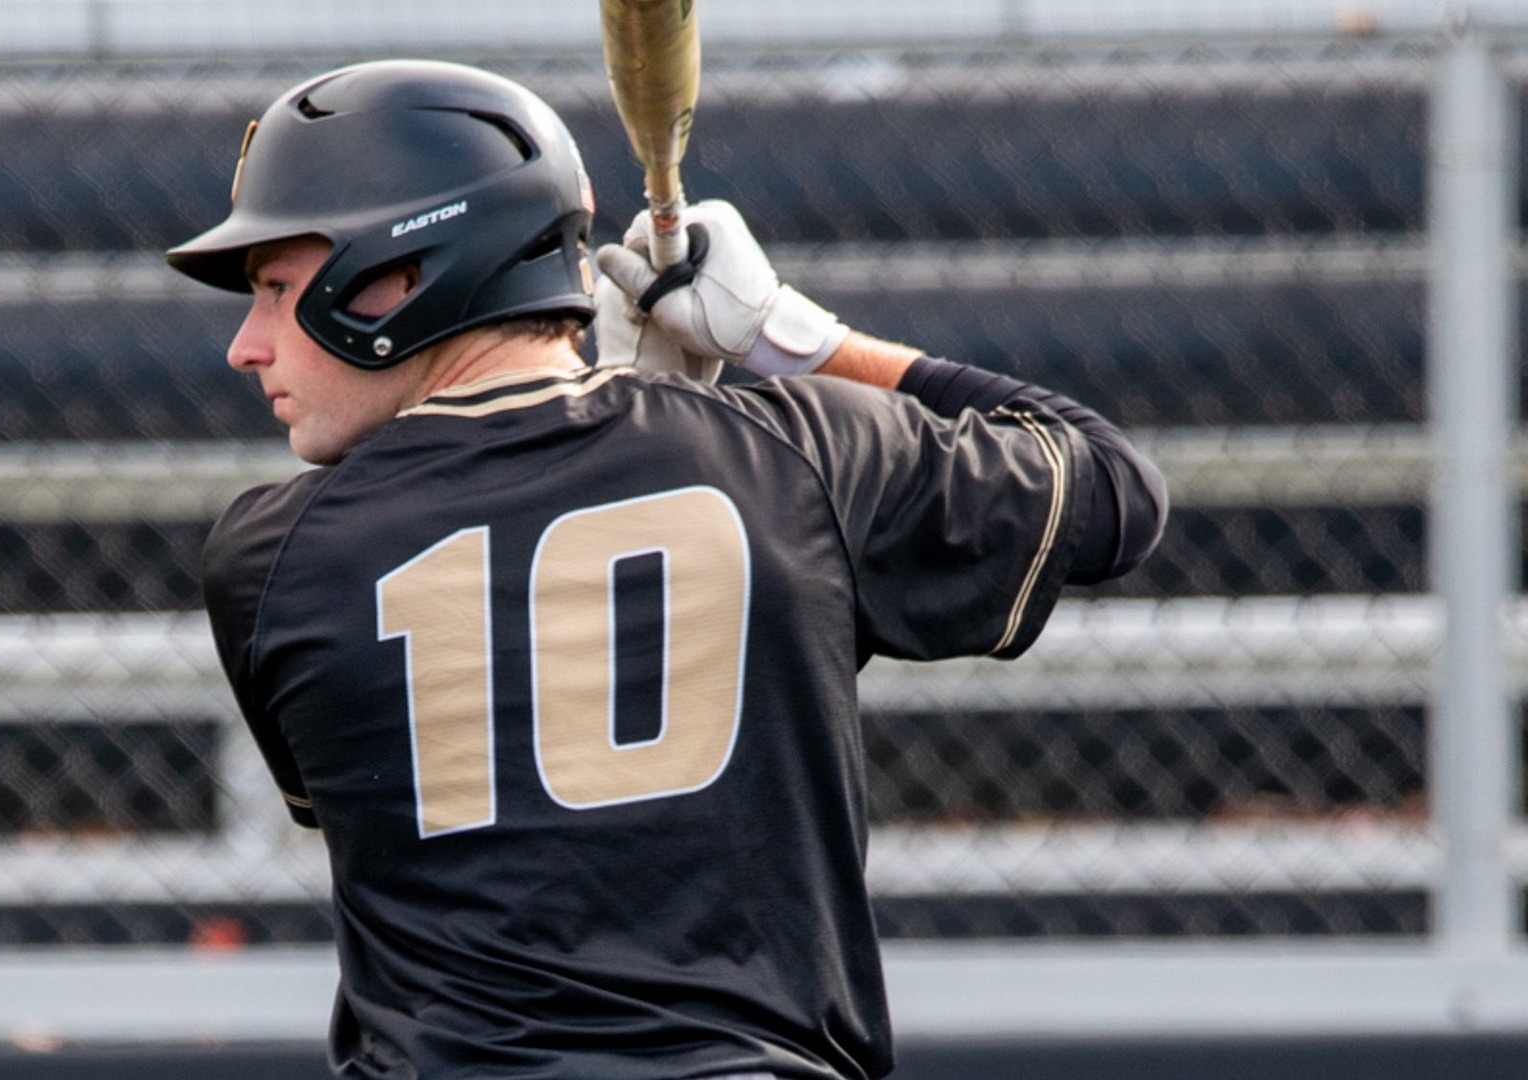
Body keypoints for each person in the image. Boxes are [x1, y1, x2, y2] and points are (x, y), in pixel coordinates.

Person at [166, 58, 1165, 1080]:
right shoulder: (798, 455)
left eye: (279, 289)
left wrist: (631, 426)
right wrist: (799, 341)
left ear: (399, 275)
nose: (248, 347)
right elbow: (1115, 492)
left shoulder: (269, 559)